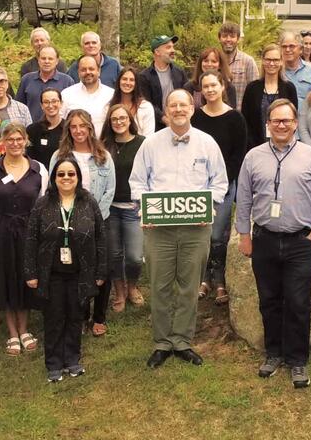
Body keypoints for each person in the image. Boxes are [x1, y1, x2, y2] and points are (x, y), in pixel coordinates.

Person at [236, 99, 311, 389]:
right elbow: (243, 198)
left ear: (295, 123)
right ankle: (273, 353)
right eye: (276, 121)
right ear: (268, 124)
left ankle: (297, 359)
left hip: (300, 241)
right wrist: (244, 234)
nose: (281, 125)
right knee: (268, 300)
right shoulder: (253, 157)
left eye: (287, 121)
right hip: (264, 239)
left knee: (298, 302)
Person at [129, 89, 228, 368]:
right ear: (166, 111)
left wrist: (209, 207)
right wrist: (142, 207)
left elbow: (219, 183)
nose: (178, 110)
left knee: (188, 286)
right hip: (159, 230)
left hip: (195, 228)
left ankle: (182, 341)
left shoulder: (207, 143)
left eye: (183, 105)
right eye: (173, 105)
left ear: (192, 109)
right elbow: (137, 182)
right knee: (160, 285)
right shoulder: (150, 144)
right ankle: (162, 342)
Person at [25, 157, 109, 382]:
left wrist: (101, 272)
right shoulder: (43, 203)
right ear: (54, 178)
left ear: (78, 177)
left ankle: (73, 359)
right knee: (54, 318)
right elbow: (31, 239)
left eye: (71, 174)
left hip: (80, 273)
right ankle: (53, 363)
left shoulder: (88, 202)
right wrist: (30, 273)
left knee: (75, 316)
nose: (66, 178)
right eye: (61, 174)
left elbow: (101, 237)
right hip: (51, 273)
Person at [0, 123, 49, 355]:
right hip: (0, 230)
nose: (15, 143)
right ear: (3, 142)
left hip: (29, 230)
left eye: (19, 139)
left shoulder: (39, 169)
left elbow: (44, 203)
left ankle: (24, 328)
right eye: (10, 139)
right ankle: (12, 332)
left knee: (26, 278)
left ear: (26, 140)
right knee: (6, 278)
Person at [191, 70, 249, 305]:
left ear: (222, 86)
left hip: (225, 186)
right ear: (201, 90)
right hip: (198, 187)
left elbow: (238, 154)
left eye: (214, 85)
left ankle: (220, 280)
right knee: (201, 234)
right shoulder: (196, 118)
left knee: (217, 236)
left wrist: (223, 183)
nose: (210, 90)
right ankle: (203, 279)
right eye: (205, 86)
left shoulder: (235, 118)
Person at [59, 108, 116, 334]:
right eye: (73, 126)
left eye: (83, 126)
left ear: (90, 128)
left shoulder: (103, 155)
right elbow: (54, 189)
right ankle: (81, 315)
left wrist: (94, 218)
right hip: (70, 221)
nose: (78, 130)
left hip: (100, 220)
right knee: (76, 269)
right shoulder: (60, 156)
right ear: (68, 130)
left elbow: (110, 190)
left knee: (103, 268)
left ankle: (99, 317)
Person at [101, 103, 147, 312]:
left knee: (135, 256)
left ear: (130, 120)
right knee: (114, 254)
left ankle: (133, 286)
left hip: (133, 208)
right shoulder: (103, 145)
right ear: (109, 123)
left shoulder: (143, 144)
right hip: (109, 209)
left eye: (122, 118)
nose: (118, 122)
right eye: (114, 119)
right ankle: (119, 291)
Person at [241, 44, 298, 149]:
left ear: (281, 62)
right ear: (263, 61)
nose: (272, 63)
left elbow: (293, 119)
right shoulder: (252, 88)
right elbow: (245, 121)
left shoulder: (289, 88)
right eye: (268, 59)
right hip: (256, 146)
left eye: (276, 60)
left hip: (283, 146)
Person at [138, 35, 187, 131]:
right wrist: (165, 119)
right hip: (156, 127)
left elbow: (187, 97)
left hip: (180, 123)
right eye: (168, 47)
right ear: (157, 52)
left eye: (173, 47)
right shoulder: (144, 76)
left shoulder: (179, 73)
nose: (173, 50)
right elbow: (147, 103)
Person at [18, 44, 75, 118]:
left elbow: (72, 109)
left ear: (57, 61)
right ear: (38, 60)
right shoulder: (27, 80)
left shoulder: (67, 81)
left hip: (60, 128)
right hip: (31, 128)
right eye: (43, 58)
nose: (47, 61)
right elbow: (19, 107)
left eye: (50, 59)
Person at [61, 53, 115, 122]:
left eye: (91, 69)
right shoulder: (67, 94)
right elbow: (61, 121)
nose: (88, 72)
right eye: (83, 70)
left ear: (99, 71)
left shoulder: (111, 95)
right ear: (78, 72)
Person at [280, 30, 311, 121]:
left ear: (301, 49)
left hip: (304, 125)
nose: (287, 50)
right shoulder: (276, 71)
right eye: (284, 47)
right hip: (280, 124)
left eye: (292, 46)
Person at [218, 21, 258, 105]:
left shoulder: (248, 62)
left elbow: (255, 92)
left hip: (240, 114)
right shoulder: (213, 61)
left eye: (232, 36)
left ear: (238, 39)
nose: (228, 40)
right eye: (225, 36)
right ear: (219, 38)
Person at [26, 88, 67, 171]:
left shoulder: (68, 128)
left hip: (62, 176)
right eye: (46, 102)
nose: (50, 105)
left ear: (61, 103)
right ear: (41, 105)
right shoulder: (32, 130)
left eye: (54, 101)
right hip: (38, 176)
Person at [109, 66, 156, 137]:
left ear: (136, 83)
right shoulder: (109, 106)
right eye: (124, 79)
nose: (127, 83)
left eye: (131, 80)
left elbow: (149, 137)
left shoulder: (145, 107)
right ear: (119, 81)